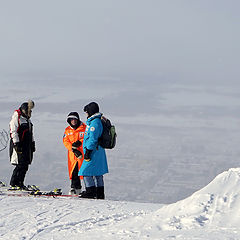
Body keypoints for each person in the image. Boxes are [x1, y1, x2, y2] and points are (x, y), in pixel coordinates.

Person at [78, 102, 108, 199]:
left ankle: (90, 191)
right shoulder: (97, 121)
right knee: (98, 172)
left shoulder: (94, 123)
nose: (86, 114)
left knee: (85, 171)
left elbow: (92, 139)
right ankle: (99, 193)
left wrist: (88, 151)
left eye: (87, 112)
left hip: (93, 151)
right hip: (98, 151)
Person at [9, 100, 35, 190]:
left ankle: (20, 182)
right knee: (20, 164)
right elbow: (13, 131)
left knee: (25, 164)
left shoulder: (27, 120)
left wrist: (32, 143)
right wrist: (16, 143)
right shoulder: (17, 118)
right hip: (19, 144)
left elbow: (30, 133)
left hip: (27, 145)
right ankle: (14, 182)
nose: (30, 113)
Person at [63, 112, 86, 195]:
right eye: (71, 119)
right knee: (74, 171)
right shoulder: (67, 130)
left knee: (84, 172)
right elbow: (65, 141)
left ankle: (89, 188)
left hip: (82, 154)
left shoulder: (84, 128)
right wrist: (72, 148)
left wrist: (80, 143)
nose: (73, 121)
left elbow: (87, 138)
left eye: (75, 119)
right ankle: (74, 188)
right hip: (72, 156)